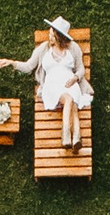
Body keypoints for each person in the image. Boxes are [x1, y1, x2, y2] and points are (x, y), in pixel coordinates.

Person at [7, 16, 94, 150]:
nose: (49, 36)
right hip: (52, 85)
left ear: (59, 37)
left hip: (70, 82)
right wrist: (13, 63)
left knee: (73, 103)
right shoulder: (44, 49)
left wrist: (75, 78)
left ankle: (76, 139)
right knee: (69, 100)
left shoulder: (73, 48)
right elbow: (29, 66)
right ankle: (67, 134)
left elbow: (81, 68)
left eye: (52, 34)